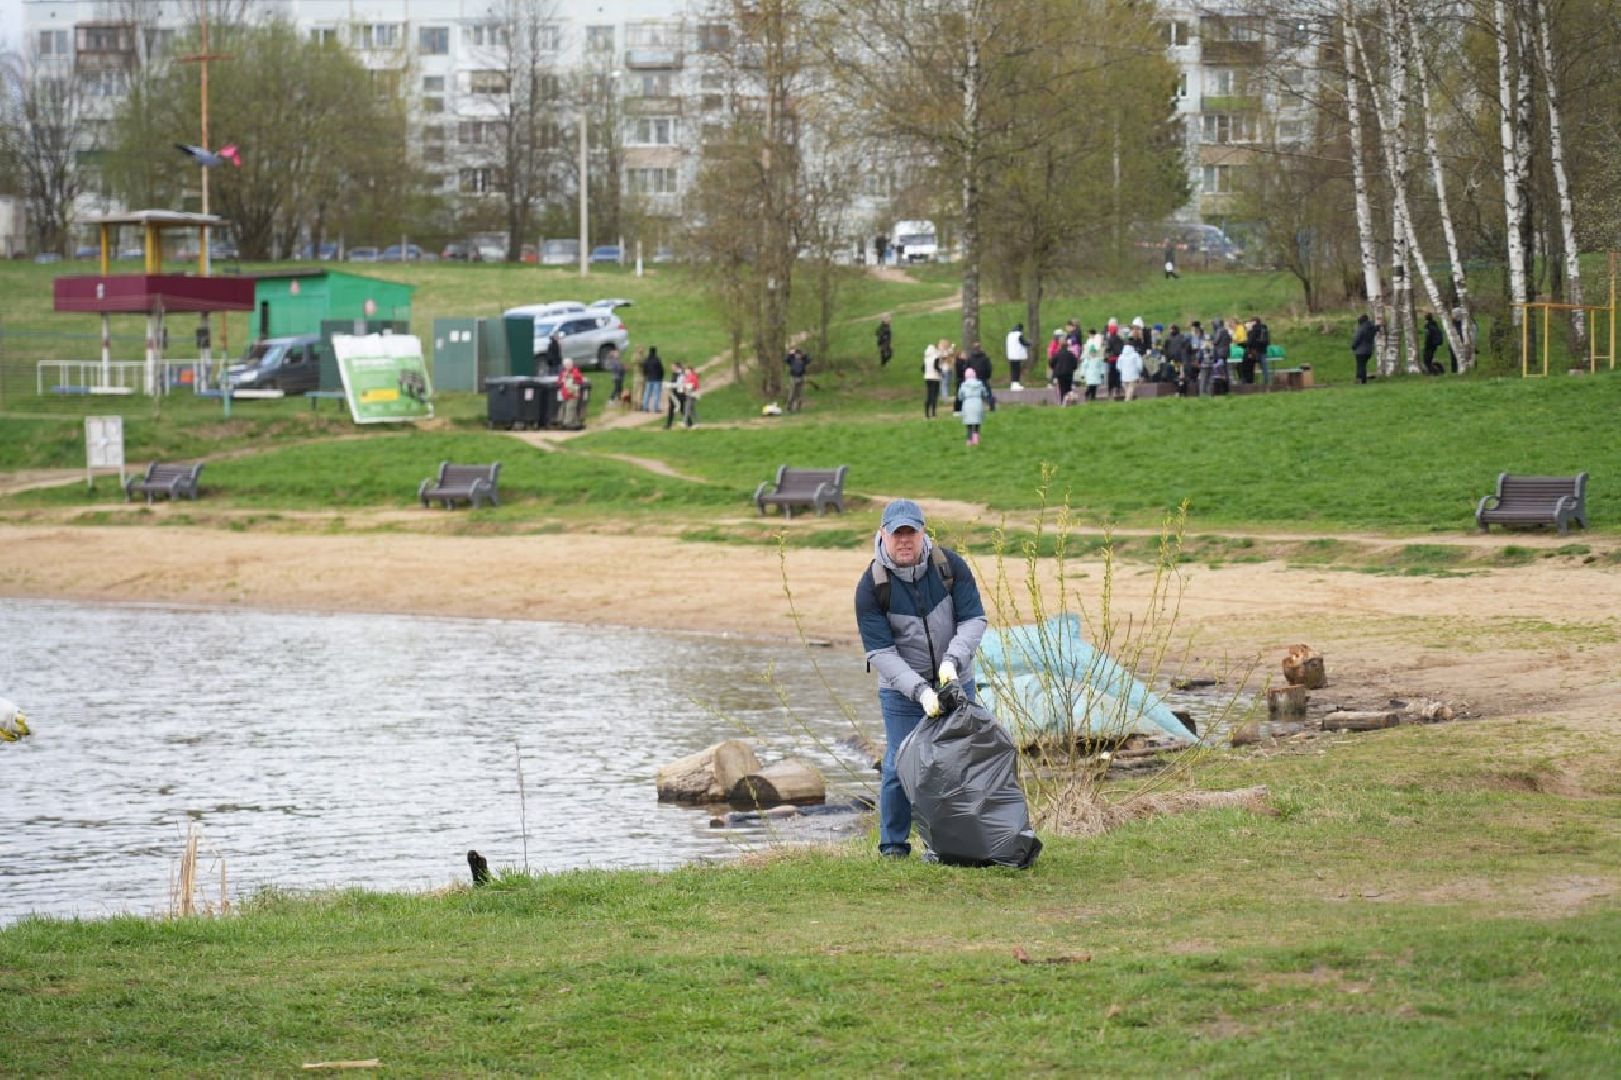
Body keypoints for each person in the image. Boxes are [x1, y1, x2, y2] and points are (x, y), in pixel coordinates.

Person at [854, 498, 987, 859]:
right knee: (900, 765)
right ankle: (893, 846)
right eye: (897, 534)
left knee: (957, 761)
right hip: (902, 692)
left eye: (910, 532)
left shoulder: (949, 566)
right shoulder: (871, 586)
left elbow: (974, 619)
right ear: (883, 535)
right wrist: (920, 692)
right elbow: (880, 652)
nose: (904, 541)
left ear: (922, 532)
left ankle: (949, 844)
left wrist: (951, 664)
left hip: (955, 679)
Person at [958, 365, 988, 445]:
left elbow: (960, 396)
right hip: (978, 404)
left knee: (969, 424)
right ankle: (976, 438)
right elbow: (984, 393)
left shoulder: (963, 385)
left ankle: (969, 440)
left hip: (967, 405)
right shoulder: (979, 384)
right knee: (977, 422)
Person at [1049, 329, 1076, 404]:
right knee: (1069, 388)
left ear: (1060, 346)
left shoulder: (1057, 354)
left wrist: (1054, 368)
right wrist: (1072, 368)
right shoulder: (1071, 354)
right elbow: (1075, 364)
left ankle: (1063, 402)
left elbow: (1051, 363)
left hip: (1060, 374)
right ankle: (1070, 402)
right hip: (1069, 373)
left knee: (1062, 389)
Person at [557, 357, 585, 428]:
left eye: (570, 364)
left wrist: (570, 376)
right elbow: (559, 382)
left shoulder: (575, 371)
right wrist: (563, 379)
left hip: (573, 394)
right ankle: (574, 422)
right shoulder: (563, 373)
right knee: (565, 408)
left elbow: (579, 379)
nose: (569, 366)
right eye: (567, 365)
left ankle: (568, 422)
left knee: (571, 407)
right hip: (565, 394)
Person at [1351, 314, 1378, 384]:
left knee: (1360, 365)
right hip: (1369, 350)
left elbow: (1357, 339)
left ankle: (1361, 380)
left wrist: (1353, 346)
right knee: (1363, 365)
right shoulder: (1371, 328)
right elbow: (1376, 329)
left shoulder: (1361, 328)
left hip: (1360, 350)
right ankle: (1362, 380)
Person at [1079, 331, 1107, 402]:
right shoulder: (1087, 360)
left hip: (1096, 375)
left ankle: (1092, 398)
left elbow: (1101, 366)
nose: (1093, 353)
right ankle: (1088, 394)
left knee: (1094, 387)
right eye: (1092, 352)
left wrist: (1102, 373)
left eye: (1094, 352)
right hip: (1090, 375)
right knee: (1090, 386)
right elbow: (1084, 366)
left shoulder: (1098, 359)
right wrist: (1082, 374)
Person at [1005, 323, 1030, 390]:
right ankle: (1016, 384)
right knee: (1017, 370)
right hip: (1017, 355)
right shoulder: (1018, 335)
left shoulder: (1010, 335)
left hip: (1011, 356)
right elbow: (1023, 342)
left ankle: (1013, 384)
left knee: (1013, 370)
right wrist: (1029, 343)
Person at [785, 346, 810, 412]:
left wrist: (806, 354)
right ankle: (789, 407)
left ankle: (798, 408)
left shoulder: (803, 360)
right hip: (793, 377)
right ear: (795, 354)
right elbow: (786, 360)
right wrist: (790, 353)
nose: (798, 356)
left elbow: (809, 360)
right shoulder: (792, 359)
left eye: (799, 354)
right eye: (796, 354)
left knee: (800, 394)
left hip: (801, 377)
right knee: (792, 393)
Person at [922, 340, 943, 418]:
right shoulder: (935, 357)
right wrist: (941, 371)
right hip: (935, 378)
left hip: (927, 378)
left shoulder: (926, 359)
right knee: (934, 395)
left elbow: (922, 368)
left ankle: (926, 414)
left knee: (929, 395)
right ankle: (933, 413)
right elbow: (936, 367)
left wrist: (926, 373)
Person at [1249, 316, 1272, 388]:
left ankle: (1252, 382)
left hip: (1255, 350)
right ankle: (1267, 381)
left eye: (1251, 322)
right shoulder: (1264, 328)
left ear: (1254, 322)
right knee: (1264, 367)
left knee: (1251, 366)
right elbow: (1268, 340)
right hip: (1263, 349)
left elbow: (1251, 341)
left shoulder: (1254, 329)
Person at [640, 346, 664, 412]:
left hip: (649, 378)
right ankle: (655, 408)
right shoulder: (657, 360)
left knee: (647, 393)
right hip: (657, 379)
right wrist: (661, 377)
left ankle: (645, 407)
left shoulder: (646, 360)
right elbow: (661, 369)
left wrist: (645, 375)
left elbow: (644, 369)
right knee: (656, 394)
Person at [665, 362, 687, 428]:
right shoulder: (675, 374)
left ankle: (688, 422)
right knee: (673, 408)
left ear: (677, 367)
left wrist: (670, 385)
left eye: (673, 366)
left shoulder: (680, 374)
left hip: (679, 394)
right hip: (675, 394)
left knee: (681, 409)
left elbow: (679, 384)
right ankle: (669, 424)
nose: (671, 368)